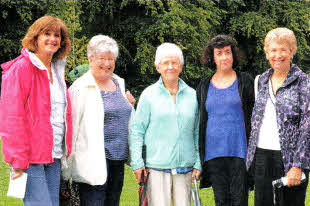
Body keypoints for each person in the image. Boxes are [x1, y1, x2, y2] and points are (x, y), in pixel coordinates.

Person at [0, 16, 72, 206]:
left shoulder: (57, 71)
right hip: (28, 159)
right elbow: (11, 118)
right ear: (35, 38)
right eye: (46, 34)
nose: (52, 39)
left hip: (53, 156)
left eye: (57, 35)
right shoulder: (21, 68)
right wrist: (17, 161)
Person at [62, 34, 135, 206]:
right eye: (102, 58)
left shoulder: (118, 83)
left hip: (117, 160)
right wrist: (66, 169)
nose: (107, 64)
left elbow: (126, 118)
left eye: (111, 59)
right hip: (92, 163)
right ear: (90, 58)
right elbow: (71, 130)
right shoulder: (80, 88)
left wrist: (131, 105)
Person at [129, 42, 201, 206]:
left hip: (185, 168)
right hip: (156, 168)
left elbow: (197, 132)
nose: (170, 67)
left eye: (174, 62)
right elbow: (137, 131)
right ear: (158, 67)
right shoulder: (148, 95)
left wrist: (198, 162)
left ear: (181, 67)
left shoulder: (192, 95)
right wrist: (137, 163)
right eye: (165, 63)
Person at [246, 27, 310, 206]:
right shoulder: (261, 81)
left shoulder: (303, 83)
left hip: (290, 159)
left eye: (283, 49)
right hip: (261, 157)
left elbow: (307, 126)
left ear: (292, 51)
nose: (278, 55)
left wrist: (298, 165)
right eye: (273, 50)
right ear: (267, 53)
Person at [196, 35, 254, 206]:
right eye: (219, 53)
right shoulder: (204, 86)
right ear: (212, 57)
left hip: (239, 152)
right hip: (214, 154)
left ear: (233, 55)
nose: (224, 57)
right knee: (221, 202)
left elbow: (255, 116)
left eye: (227, 52)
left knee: (239, 201)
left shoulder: (245, 81)